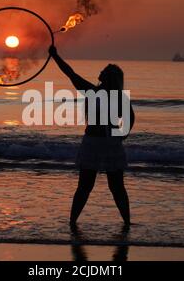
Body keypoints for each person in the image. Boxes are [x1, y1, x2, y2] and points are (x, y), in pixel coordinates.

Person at [49, 45, 135, 226]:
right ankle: (73, 222)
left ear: (110, 77)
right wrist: (55, 57)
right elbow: (70, 74)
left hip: (103, 143)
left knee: (111, 187)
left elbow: (130, 119)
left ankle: (125, 222)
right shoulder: (106, 94)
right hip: (102, 143)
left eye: (106, 72)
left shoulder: (106, 95)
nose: (101, 73)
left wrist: (120, 136)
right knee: (93, 187)